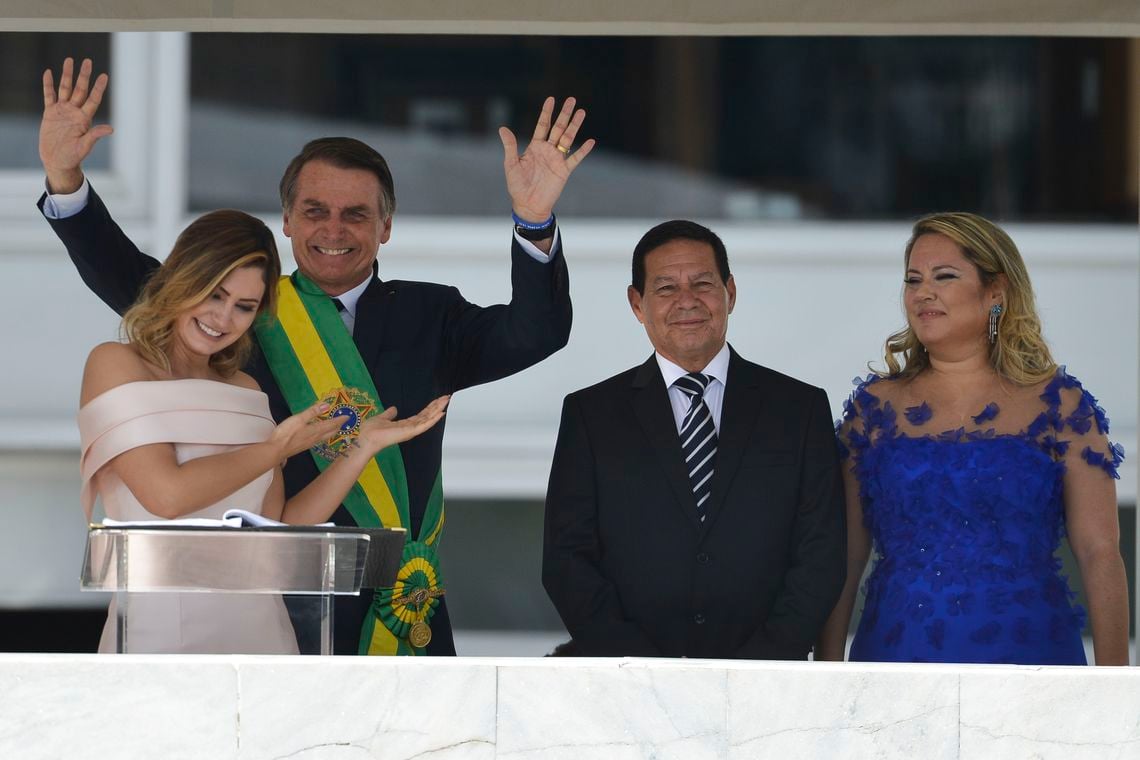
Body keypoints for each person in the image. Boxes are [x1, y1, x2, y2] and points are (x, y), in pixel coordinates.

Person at [40, 57, 591, 656]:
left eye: (357, 213)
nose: (335, 228)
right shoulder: (240, 308)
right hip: (263, 601)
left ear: (386, 226)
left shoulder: (431, 316)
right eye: (315, 211)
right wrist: (65, 179)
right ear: (286, 219)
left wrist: (533, 220)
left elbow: (536, 332)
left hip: (398, 601)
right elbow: (137, 277)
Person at [79, 209, 447, 654]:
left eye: (245, 307)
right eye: (214, 294)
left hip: (265, 638)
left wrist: (361, 449)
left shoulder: (246, 388)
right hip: (158, 639)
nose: (223, 318)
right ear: (182, 279)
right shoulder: (117, 363)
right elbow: (166, 496)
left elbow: (280, 526)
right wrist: (277, 449)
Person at [817, 212, 1129, 665]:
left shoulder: (1060, 404)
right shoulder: (873, 409)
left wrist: (1115, 687)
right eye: (913, 279)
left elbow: (1099, 551)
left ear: (996, 291)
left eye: (944, 276)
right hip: (897, 659)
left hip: (1033, 660)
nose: (924, 292)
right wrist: (826, 677)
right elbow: (843, 559)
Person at [542, 220, 846, 659]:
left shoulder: (800, 408)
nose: (687, 300)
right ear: (637, 304)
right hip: (627, 683)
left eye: (703, 283)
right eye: (665, 288)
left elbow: (822, 553)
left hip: (768, 683)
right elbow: (566, 559)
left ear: (731, 293)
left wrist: (759, 665)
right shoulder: (591, 414)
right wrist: (642, 668)